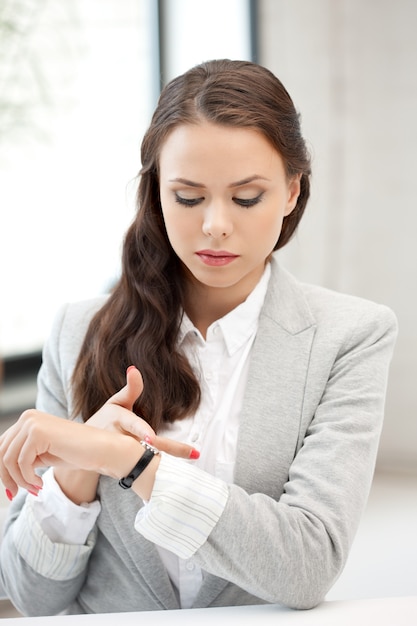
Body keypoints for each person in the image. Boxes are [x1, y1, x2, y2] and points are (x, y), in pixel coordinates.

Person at [0, 59, 397, 616]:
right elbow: (33, 598)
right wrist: (77, 467)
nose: (214, 225)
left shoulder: (349, 336)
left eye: (246, 197)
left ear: (290, 192)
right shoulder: (78, 332)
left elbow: (308, 566)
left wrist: (130, 463)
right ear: (157, 194)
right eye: (188, 197)